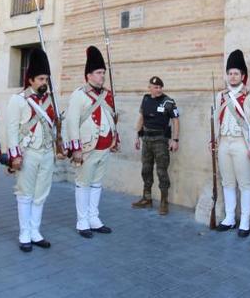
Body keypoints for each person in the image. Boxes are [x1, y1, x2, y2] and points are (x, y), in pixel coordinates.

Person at [7, 48, 62, 251]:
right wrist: (14, 155)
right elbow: (11, 130)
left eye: (46, 79)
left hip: (47, 152)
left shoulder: (51, 100)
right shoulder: (18, 100)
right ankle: (24, 233)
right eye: (40, 79)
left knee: (41, 193)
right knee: (25, 193)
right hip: (28, 152)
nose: (44, 82)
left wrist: (59, 146)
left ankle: (35, 231)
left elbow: (56, 126)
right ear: (30, 80)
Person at [65, 46, 120, 238]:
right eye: (98, 73)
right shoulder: (79, 95)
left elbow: (112, 118)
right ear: (88, 75)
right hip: (87, 147)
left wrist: (115, 138)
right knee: (83, 183)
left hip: (104, 146)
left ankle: (94, 218)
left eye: (103, 72)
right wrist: (76, 148)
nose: (102, 76)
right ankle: (82, 222)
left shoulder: (108, 94)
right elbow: (72, 123)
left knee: (97, 183)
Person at [213, 49, 250, 237]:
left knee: (245, 183)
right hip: (224, 142)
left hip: (242, 143)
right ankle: (229, 218)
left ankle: (244, 221)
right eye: (230, 73)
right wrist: (213, 140)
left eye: (236, 73)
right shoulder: (221, 96)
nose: (232, 76)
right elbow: (216, 119)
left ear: (243, 76)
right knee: (227, 182)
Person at [131, 76, 180, 215]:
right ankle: (147, 198)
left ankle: (164, 202)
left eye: (160, 87)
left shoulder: (168, 101)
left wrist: (175, 140)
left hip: (160, 140)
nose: (158, 90)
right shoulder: (146, 99)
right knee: (146, 170)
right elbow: (141, 118)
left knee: (161, 171)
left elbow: (176, 120)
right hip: (146, 139)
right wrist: (137, 136)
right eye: (156, 87)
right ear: (150, 88)